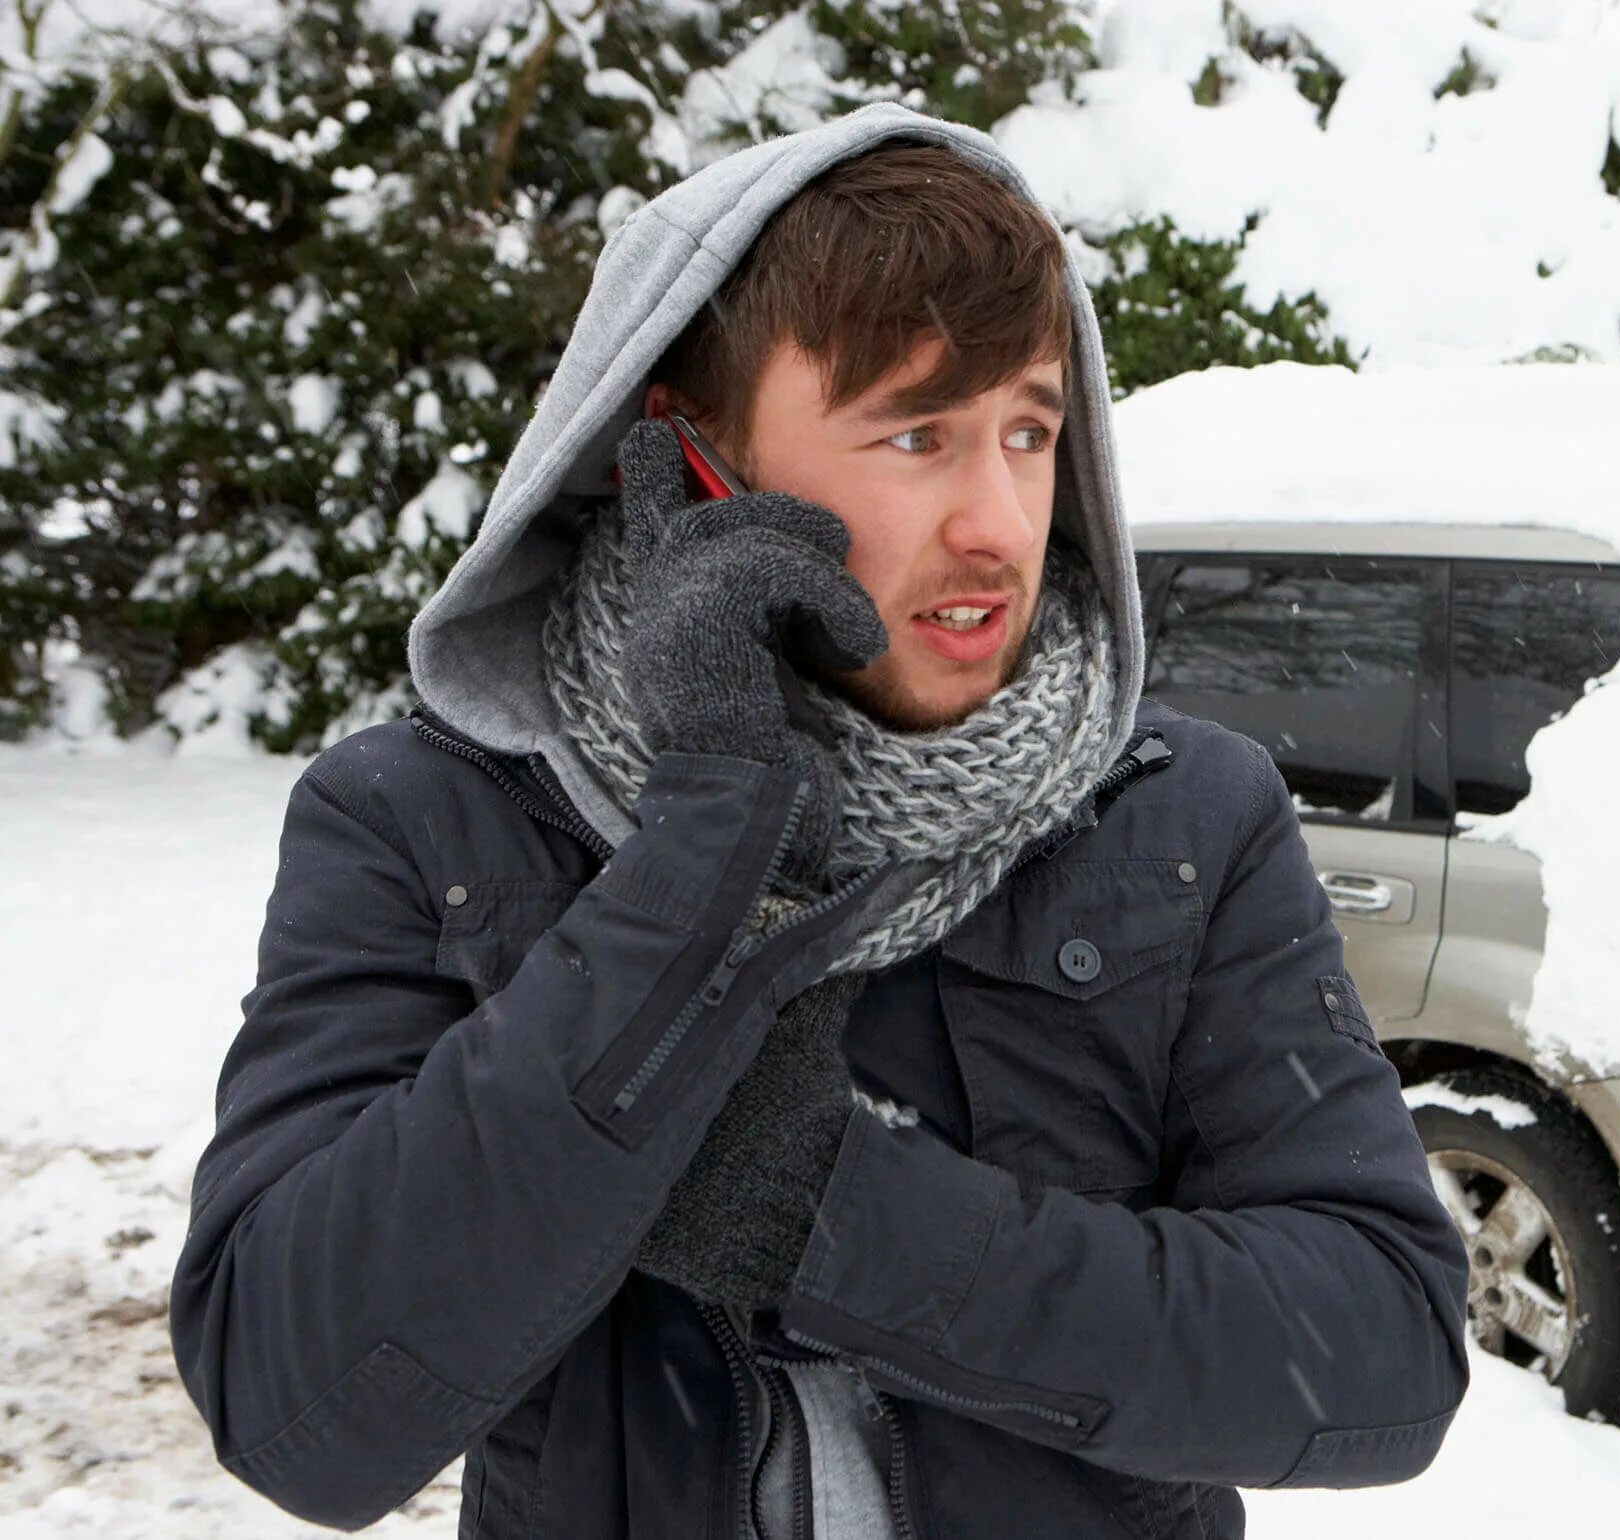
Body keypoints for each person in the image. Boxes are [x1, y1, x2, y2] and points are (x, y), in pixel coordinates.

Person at [169, 104, 1470, 1539]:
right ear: (686, 455)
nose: (997, 524)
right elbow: (291, 1405)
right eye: (915, 433)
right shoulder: (426, 818)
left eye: (1028, 432)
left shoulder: (1175, 815)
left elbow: (1378, 1351)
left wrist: (839, 1222)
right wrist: (703, 859)